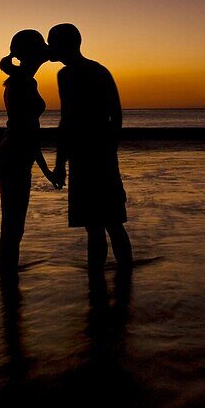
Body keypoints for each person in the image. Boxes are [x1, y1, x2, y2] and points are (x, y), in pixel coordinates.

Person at [48, 23, 133, 270]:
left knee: (103, 225)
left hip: (89, 156)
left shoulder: (72, 74)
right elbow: (115, 117)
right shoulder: (97, 71)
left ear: (63, 45)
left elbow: (68, 121)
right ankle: (119, 284)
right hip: (94, 155)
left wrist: (59, 164)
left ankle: (102, 286)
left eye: (52, 43)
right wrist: (109, 151)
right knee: (108, 223)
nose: (48, 48)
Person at [0, 29, 60, 273]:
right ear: (31, 53)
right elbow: (26, 133)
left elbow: (28, 133)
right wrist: (49, 172)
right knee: (12, 226)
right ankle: (8, 283)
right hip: (15, 157)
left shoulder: (22, 78)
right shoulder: (23, 81)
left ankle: (8, 283)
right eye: (40, 48)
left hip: (16, 156)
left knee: (13, 226)